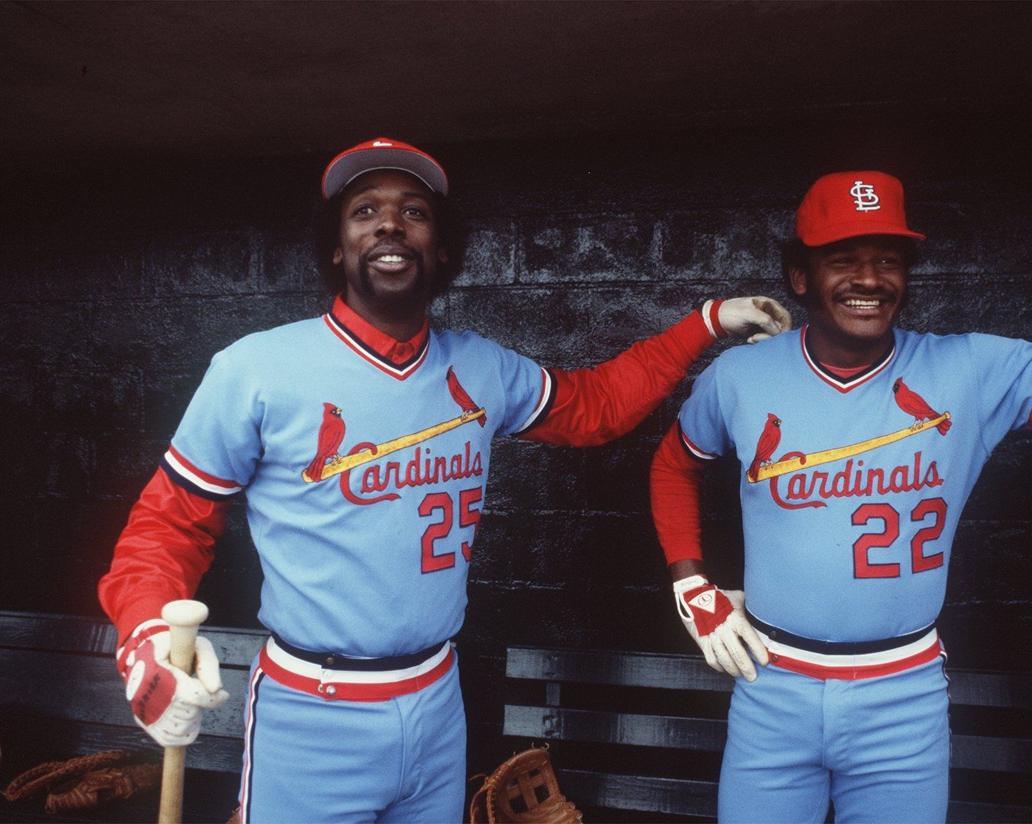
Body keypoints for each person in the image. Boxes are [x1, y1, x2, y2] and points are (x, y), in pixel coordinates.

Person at [98, 136, 792, 823]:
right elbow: (167, 524)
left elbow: (598, 407)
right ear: (337, 249)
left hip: (436, 700)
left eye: (414, 212)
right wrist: (147, 635)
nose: (391, 224)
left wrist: (706, 323)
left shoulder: (483, 368)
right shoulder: (255, 368)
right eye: (364, 210)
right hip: (314, 708)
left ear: (445, 249)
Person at [649, 170, 1032, 823]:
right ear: (800, 277)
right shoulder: (739, 376)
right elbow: (672, 466)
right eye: (842, 259)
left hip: (901, 699)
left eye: (887, 260)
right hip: (771, 688)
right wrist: (691, 582)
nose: (869, 278)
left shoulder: (970, 369)